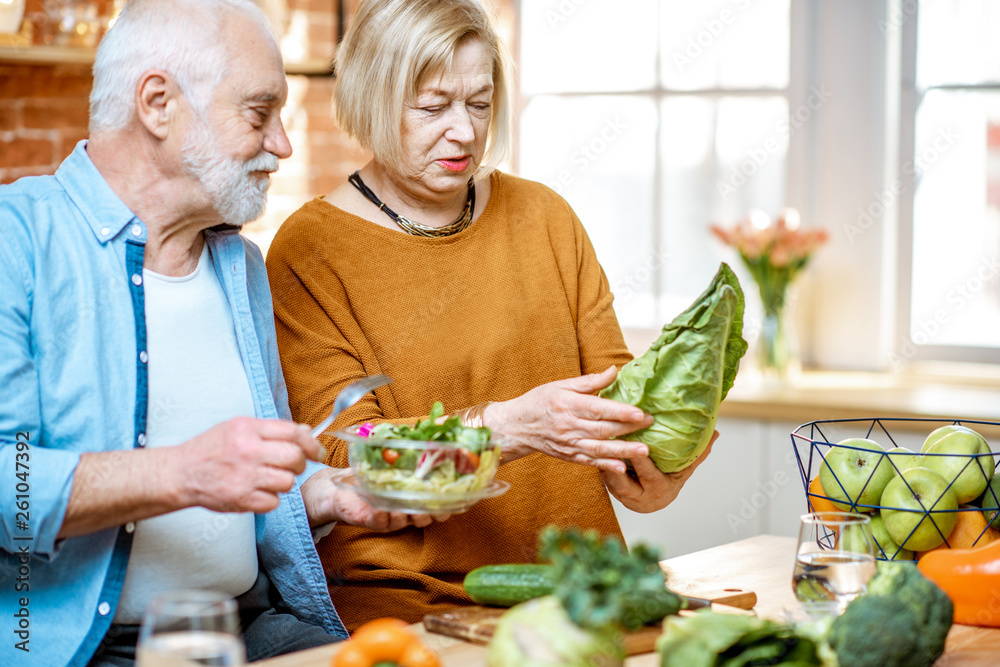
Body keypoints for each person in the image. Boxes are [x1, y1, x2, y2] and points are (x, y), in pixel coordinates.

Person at [0, 1, 447, 665]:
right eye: (259, 113)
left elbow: (247, 483)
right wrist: (182, 472)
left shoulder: (240, 267)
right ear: (158, 103)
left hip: (251, 624)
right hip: (86, 648)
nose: (283, 145)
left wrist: (330, 495)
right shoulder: (19, 241)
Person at [265, 0, 717, 631]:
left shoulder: (546, 218)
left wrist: (651, 464)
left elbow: (614, 405)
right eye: (432, 106)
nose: (464, 131)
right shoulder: (310, 249)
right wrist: (508, 428)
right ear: (370, 97)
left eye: (479, 104)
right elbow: (352, 465)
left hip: (582, 591)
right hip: (411, 602)